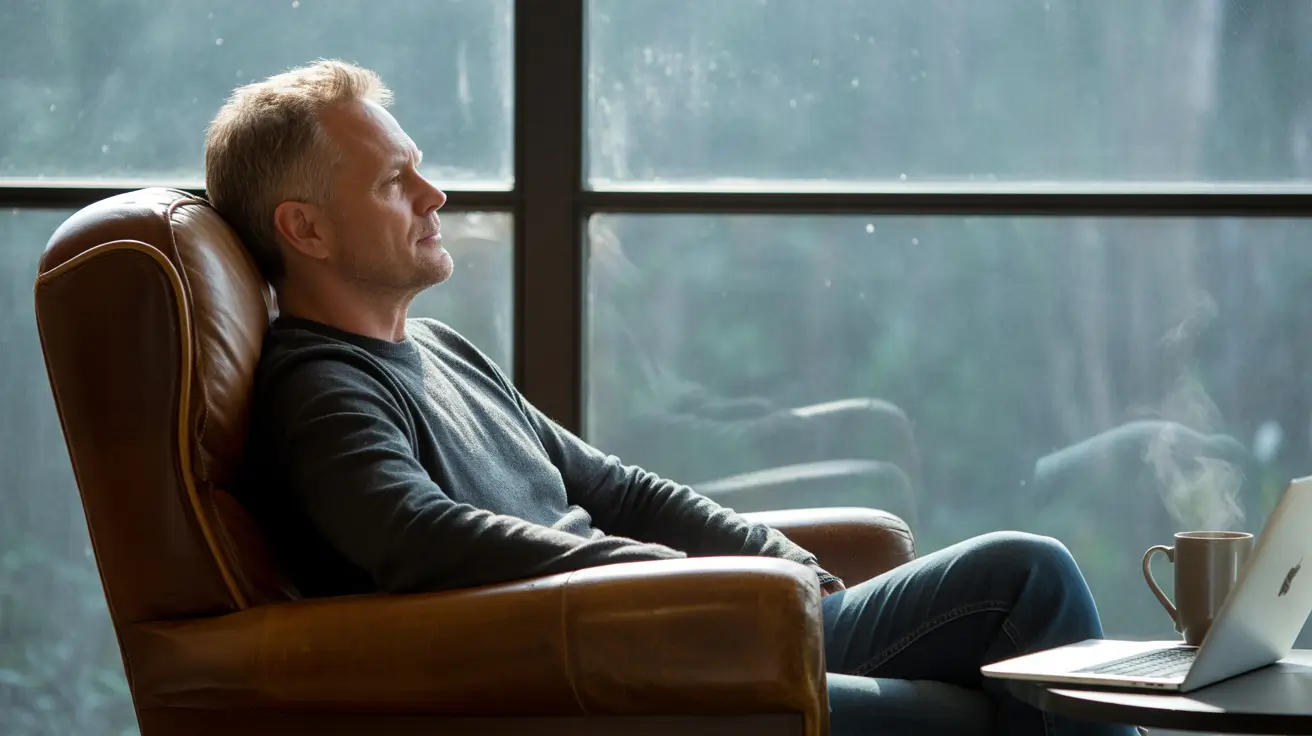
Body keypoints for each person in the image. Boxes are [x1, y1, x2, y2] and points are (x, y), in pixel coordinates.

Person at [214, 60, 1136, 736]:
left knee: (1027, 572)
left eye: (418, 165)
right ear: (306, 229)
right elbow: (417, 539)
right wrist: (669, 585)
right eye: (393, 181)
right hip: (624, 673)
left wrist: (773, 561)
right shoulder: (320, 391)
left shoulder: (439, 351)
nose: (435, 191)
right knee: (994, 704)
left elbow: (615, 486)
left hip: (696, 626)